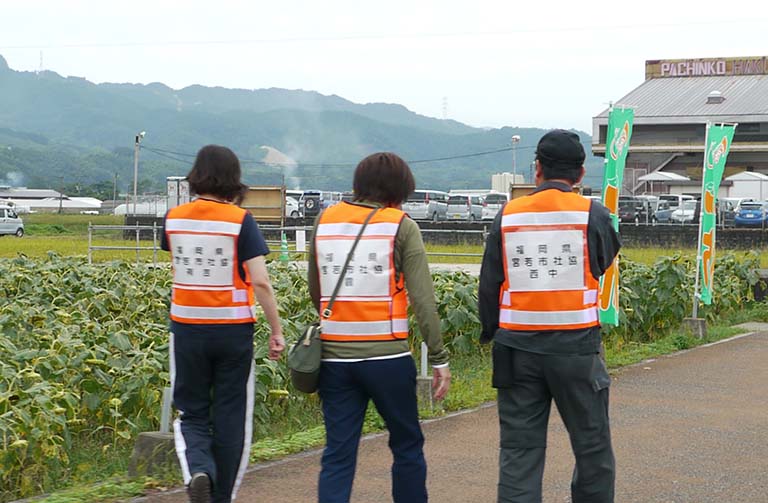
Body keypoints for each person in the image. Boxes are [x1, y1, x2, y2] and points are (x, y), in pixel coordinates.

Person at [478, 130, 621, 503]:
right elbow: (604, 260)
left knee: (519, 452)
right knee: (592, 450)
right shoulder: (593, 214)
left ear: (537, 169)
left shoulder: (507, 214)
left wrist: (491, 332)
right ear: (580, 174)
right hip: (576, 349)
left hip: (515, 349)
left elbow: (490, 281)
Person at [307, 152, 451, 503]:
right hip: (388, 357)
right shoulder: (400, 224)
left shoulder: (324, 220)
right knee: (406, 445)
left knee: (338, 454)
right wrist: (439, 357)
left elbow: (317, 287)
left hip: (335, 360)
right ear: (399, 189)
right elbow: (422, 298)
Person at [161, 145, 285, 503]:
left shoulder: (174, 218)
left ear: (196, 175)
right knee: (232, 418)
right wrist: (276, 331)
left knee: (191, 412)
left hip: (186, 328)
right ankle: (222, 497)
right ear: (234, 178)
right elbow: (259, 281)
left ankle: (199, 469)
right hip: (232, 331)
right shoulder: (239, 220)